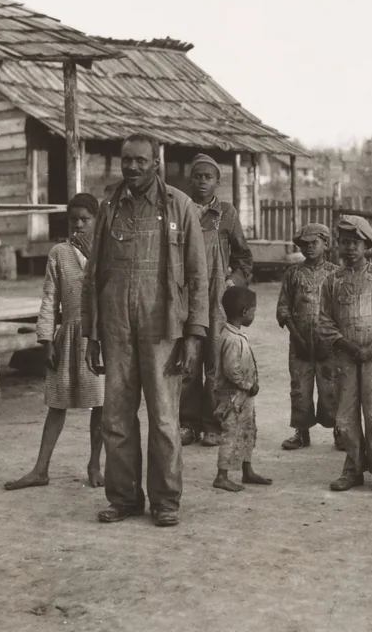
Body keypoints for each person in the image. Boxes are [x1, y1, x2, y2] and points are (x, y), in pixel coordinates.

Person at [83, 133, 209, 527]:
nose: (132, 167)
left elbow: (197, 276)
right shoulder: (108, 207)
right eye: (126, 160)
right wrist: (92, 333)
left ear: (156, 162)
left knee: (165, 418)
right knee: (116, 418)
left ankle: (166, 501)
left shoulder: (180, 206)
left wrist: (193, 335)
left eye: (140, 160)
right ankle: (123, 499)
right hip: (117, 327)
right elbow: (92, 275)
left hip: (164, 330)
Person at [5, 193, 104, 492]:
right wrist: (46, 339)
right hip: (69, 337)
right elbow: (50, 298)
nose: (79, 225)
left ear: (97, 221)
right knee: (56, 403)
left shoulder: (107, 253)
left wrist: (96, 259)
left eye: (85, 219)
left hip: (98, 337)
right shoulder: (59, 253)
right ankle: (40, 468)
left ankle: (94, 465)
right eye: (73, 219)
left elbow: (107, 290)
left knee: (100, 404)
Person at [317, 215, 372, 492]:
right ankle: (353, 468)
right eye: (345, 243)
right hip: (345, 358)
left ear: (367, 245)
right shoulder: (331, 280)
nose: (350, 248)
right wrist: (348, 347)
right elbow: (324, 321)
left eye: (356, 243)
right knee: (346, 415)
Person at [180, 153, 253, 448]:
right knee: (188, 360)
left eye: (207, 177)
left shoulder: (227, 213)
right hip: (186, 297)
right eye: (197, 176)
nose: (201, 182)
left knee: (215, 363)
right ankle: (187, 424)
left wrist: (232, 282)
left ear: (217, 182)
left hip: (217, 300)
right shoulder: (180, 210)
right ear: (190, 180)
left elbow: (243, 256)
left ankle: (212, 424)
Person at [275, 223, 341, 452]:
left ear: (326, 243)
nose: (309, 248)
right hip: (300, 344)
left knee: (331, 388)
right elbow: (284, 309)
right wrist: (297, 338)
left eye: (314, 243)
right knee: (300, 389)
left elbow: (341, 312)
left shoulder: (336, 273)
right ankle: (302, 432)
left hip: (329, 345)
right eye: (304, 245)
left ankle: (339, 431)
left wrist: (331, 340)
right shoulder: (293, 274)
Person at [212, 286, 271, 492]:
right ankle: (222, 475)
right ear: (245, 312)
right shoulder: (232, 339)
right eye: (253, 310)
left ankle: (247, 469)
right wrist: (248, 385)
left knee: (247, 430)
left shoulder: (235, 334)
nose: (254, 314)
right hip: (233, 398)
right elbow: (231, 370)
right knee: (231, 433)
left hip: (243, 397)